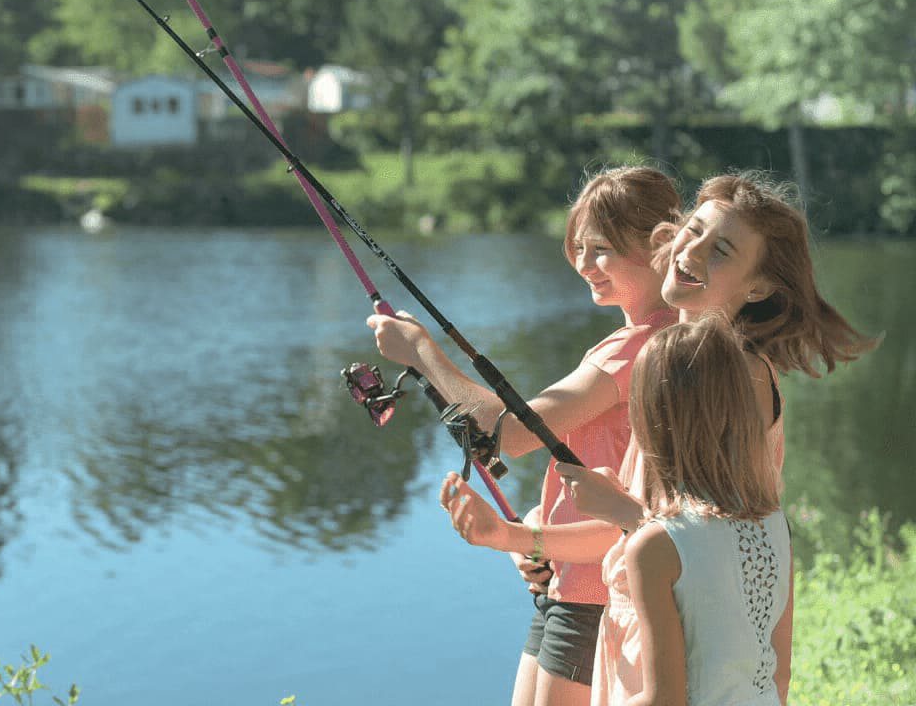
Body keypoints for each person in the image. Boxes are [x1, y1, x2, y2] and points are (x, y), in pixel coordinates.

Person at [553, 172, 878, 704]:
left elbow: (720, 540)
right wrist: (537, 539)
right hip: (642, 629)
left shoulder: (737, 375)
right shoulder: (677, 360)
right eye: (694, 229)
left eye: (721, 249)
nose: (692, 250)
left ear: (759, 287)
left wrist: (626, 516)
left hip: (686, 651)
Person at [369, 166, 680, 706]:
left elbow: (508, 435)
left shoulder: (634, 351)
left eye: (601, 249)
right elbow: (612, 467)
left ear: (658, 247)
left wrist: (422, 353)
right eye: (578, 248)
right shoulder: (654, 340)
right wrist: (538, 530)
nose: (584, 264)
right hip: (571, 580)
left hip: (597, 593)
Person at [622, 314, 793, 706]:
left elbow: (664, 700)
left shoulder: (655, 546)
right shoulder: (775, 521)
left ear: (651, 417)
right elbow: (780, 674)